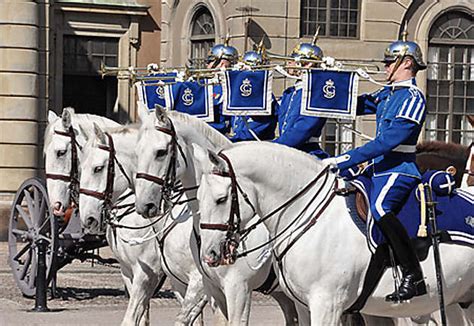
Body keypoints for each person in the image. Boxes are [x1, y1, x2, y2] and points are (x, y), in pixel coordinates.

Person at [323, 30, 428, 302]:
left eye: (389, 62)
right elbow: (352, 105)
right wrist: (325, 80)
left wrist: (345, 158)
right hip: (377, 168)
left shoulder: (413, 98)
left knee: (380, 207)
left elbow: (388, 142)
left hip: (399, 168)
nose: (385, 67)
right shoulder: (387, 94)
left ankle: (413, 276)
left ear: (407, 63)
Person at [272, 37, 329, 159]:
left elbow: (303, 129)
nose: (288, 63)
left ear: (308, 64)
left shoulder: (316, 93)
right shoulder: (290, 93)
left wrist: (272, 148)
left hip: (306, 153)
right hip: (286, 150)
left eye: (293, 60)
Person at [228, 46, 277, 142]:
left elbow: (256, 127)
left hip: (256, 145)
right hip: (239, 142)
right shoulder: (240, 93)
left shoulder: (265, 96)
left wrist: (233, 139)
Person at [205, 39, 239, 134]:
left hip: (218, 133)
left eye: (210, 61)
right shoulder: (207, 82)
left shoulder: (229, 87)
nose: (207, 65)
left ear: (222, 63)